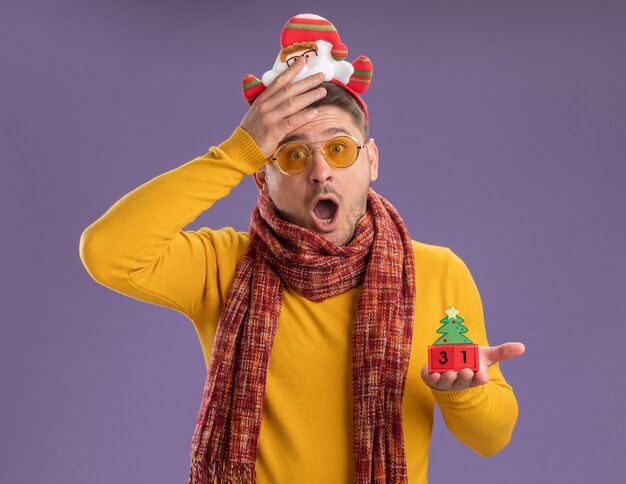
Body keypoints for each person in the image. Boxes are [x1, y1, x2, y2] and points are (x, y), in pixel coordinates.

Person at [79, 13, 524, 484]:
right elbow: (107, 252)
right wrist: (237, 150)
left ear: (371, 161)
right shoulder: (223, 267)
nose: (320, 172)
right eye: (293, 155)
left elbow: (492, 437)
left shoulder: (437, 272)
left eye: (339, 150)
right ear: (262, 177)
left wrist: (465, 395)